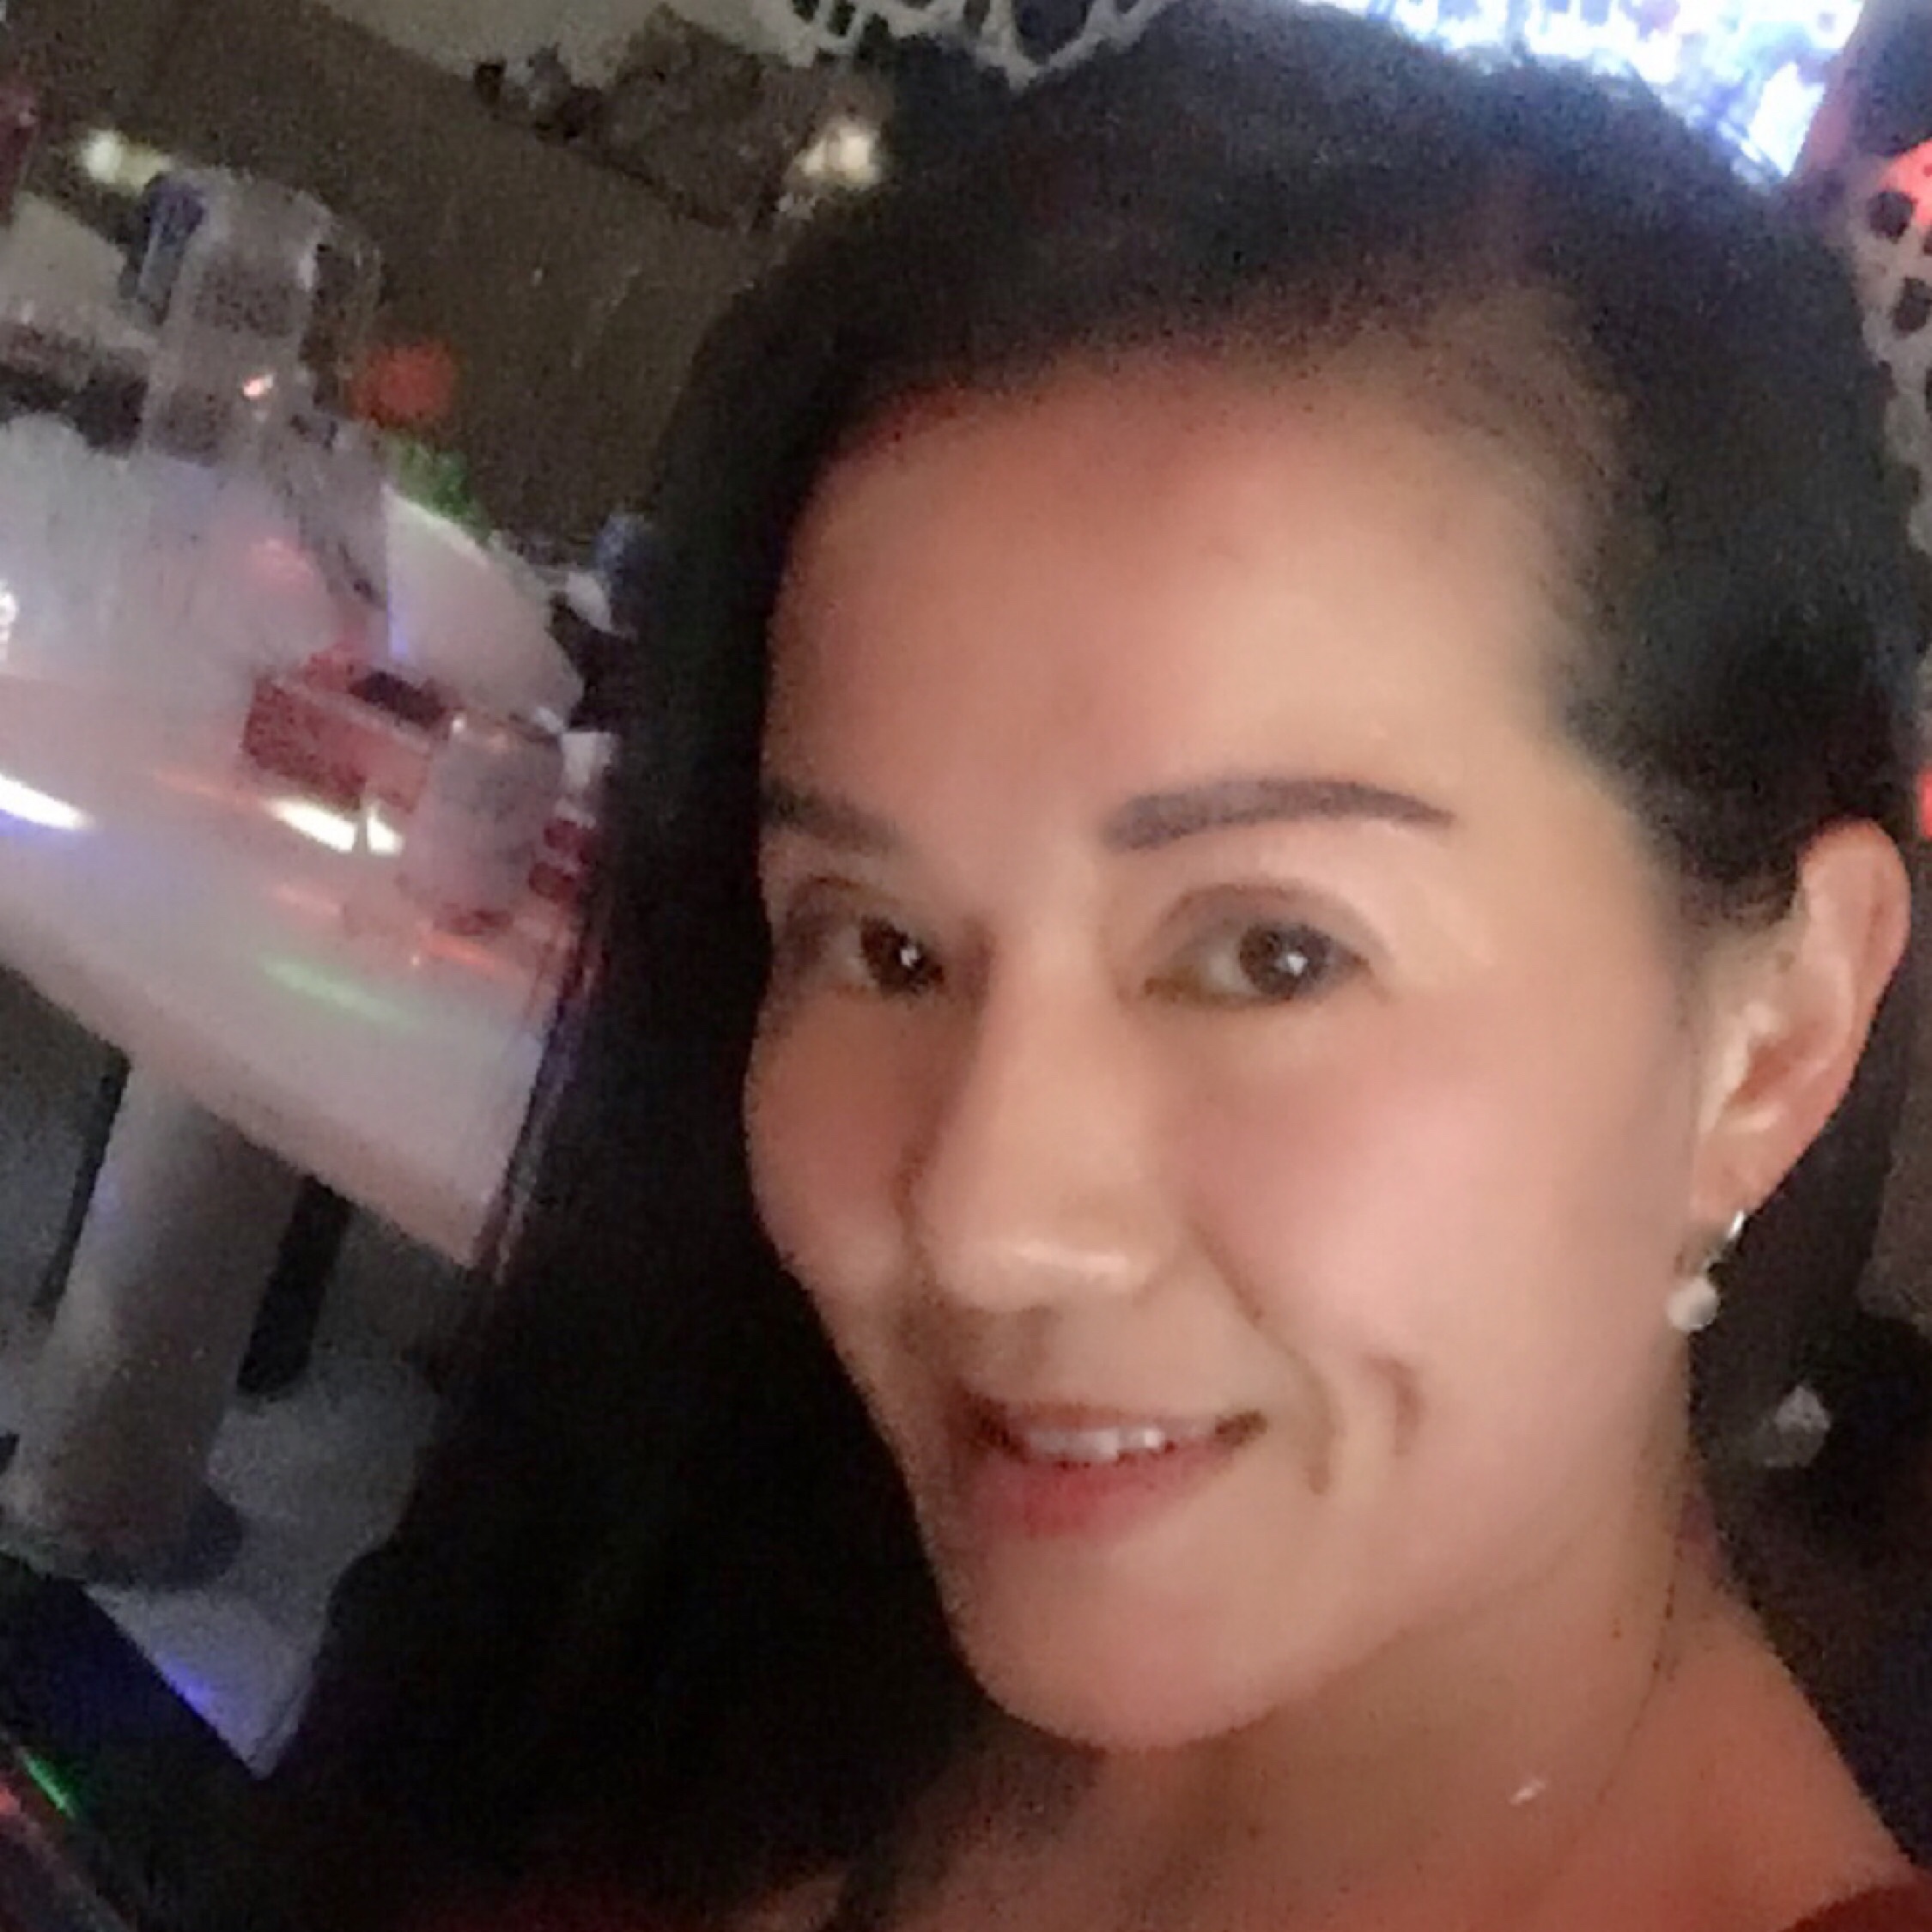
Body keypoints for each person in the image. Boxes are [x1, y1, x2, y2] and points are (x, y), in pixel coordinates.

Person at [267, 6, 1932, 1929]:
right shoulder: (720, 1639)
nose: (981, 1221)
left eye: (1271, 953)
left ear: (1771, 1038)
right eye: (884, 945)